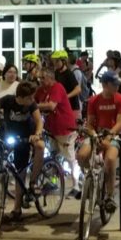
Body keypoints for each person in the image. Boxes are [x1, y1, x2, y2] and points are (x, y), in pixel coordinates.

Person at [0, 81, 45, 223]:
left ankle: (33, 182)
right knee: (15, 170)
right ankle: (17, 209)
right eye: (30, 98)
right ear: (21, 97)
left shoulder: (31, 105)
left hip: (28, 136)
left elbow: (39, 120)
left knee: (40, 147)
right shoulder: (7, 100)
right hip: (11, 136)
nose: (32, 100)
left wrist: (37, 134)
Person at [80, 71, 121, 214]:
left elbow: (120, 123)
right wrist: (94, 135)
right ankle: (91, 179)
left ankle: (109, 195)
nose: (117, 87)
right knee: (81, 155)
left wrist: (109, 136)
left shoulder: (120, 99)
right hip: (97, 134)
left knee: (111, 159)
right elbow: (89, 123)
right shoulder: (94, 100)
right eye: (114, 84)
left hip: (114, 135)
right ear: (105, 85)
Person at [36, 67, 80, 196]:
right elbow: (33, 99)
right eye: (39, 78)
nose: (40, 81)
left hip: (65, 128)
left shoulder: (57, 87)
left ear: (50, 78)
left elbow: (51, 105)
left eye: (43, 78)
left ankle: (76, 185)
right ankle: (53, 181)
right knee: (53, 156)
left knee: (70, 157)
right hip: (51, 129)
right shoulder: (41, 90)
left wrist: (35, 106)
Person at [50, 50, 83, 120]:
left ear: (64, 61)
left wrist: (66, 96)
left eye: (57, 61)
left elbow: (78, 89)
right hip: (62, 106)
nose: (55, 63)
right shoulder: (57, 73)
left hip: (72, 106)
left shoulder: (69, 74)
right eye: (54, 61)